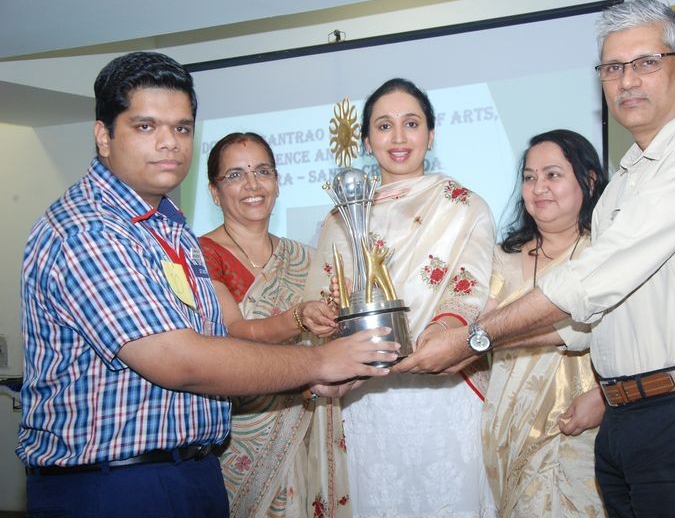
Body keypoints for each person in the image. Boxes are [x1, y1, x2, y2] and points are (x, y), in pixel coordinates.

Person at [397, 0, 675, 517]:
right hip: (626, 419)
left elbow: (593, 279)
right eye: (613, 68)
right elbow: (590, 322)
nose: (627, 81)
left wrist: (475, 336)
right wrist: (472, 348)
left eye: (646, 62)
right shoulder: (626, 180)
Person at [17, 51, 396, 518]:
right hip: (114, 486)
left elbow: (212, 345)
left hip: (190, 473)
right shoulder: (89, 229)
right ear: (103, 135)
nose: (169, 144)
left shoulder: (166, 224)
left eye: (181, 128)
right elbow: (179, 360)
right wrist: (318, 361)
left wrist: (315, 376)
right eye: (145, 126)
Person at [303, 78, 497, 517]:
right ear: (367, 140)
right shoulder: (341, 217)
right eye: (384, 126)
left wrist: (440, 336)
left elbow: (470, 285)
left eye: (411, 124)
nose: (398, 137)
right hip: (365, 395)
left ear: (431, 134)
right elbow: (326, 295)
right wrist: (321, 314)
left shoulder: (463, 206)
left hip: (443, 386)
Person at [199, 132, 339, 516]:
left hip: (308, 422)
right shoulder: (201, 255)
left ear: (276, 182)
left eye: (263, 171)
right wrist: (298, 318)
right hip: (244, 428)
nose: (252, 184)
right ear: (214, 192)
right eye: (235, 175)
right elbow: (235, 331)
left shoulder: (307, 258)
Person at [482, 130, 608, 517]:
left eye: (553, 175)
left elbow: (628, 336)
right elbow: (478, 328)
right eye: (530, 177)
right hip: (504, 429)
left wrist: (606, 398)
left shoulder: (604, 254)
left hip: (577, 428)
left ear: (587, 181)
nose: (539, 188)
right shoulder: (500, 258)